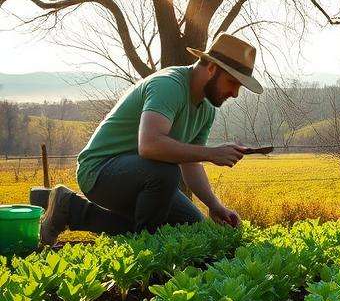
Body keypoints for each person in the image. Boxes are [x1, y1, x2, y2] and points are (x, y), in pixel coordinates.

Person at [40, 33, 264, 244]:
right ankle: (146, 250)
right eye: (232, 82)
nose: (235, 93)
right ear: (212, 68)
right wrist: (212, 153)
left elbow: (191, 162)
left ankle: (71, 209)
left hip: (142, 176)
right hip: (100, 171)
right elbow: (149, 146)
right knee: (165, 173)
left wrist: (215, 205)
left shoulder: (207, 109)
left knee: (192, 225)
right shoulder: (168, 86)